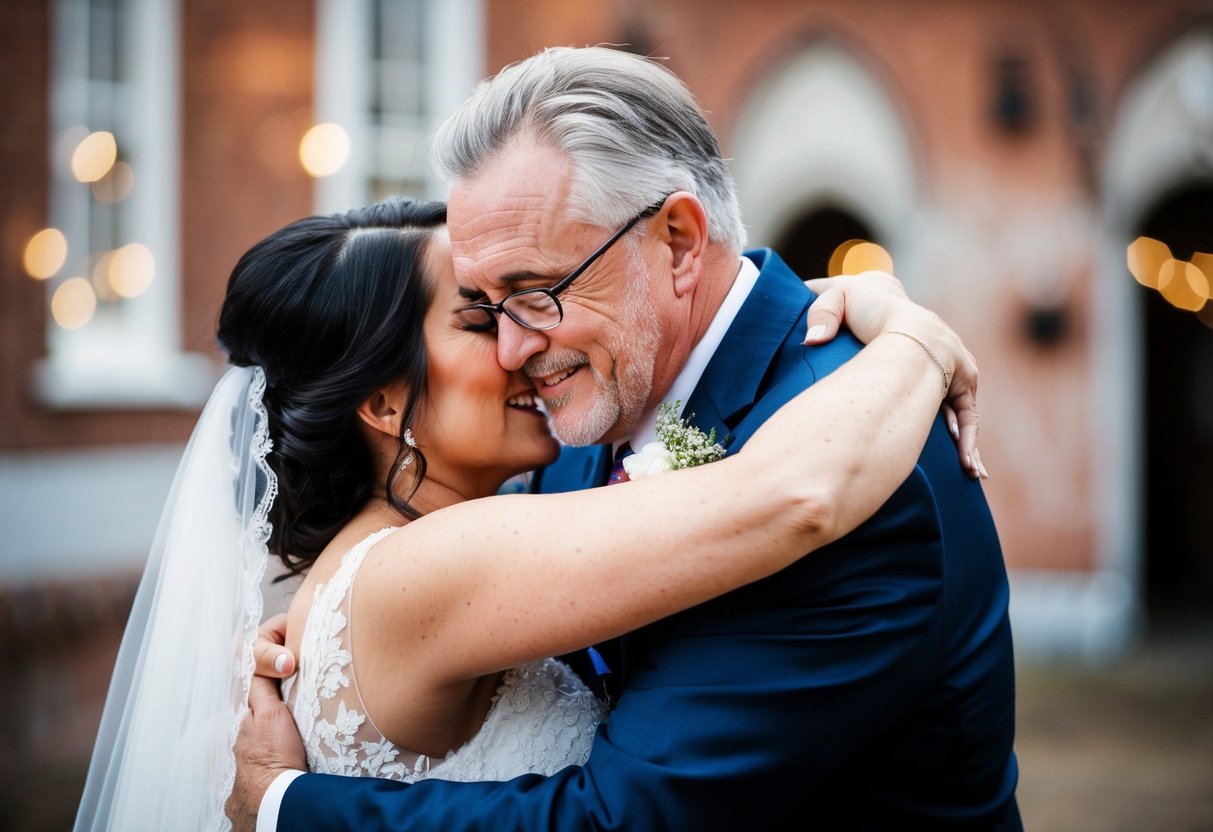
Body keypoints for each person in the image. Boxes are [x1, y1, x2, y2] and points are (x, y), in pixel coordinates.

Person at [234, 47, 1019, 831]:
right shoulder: (573, 426)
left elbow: (632, 817)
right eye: (483, 309)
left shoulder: (862, 450)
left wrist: (288, 806)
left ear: (677, 241)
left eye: (535, 292)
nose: (511, 348)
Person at [75, 195, 975, 831]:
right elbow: (791, 492)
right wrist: (912, 338)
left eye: (521, 300)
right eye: (479, 320)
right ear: (383, 403)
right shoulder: (429, 563)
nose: (520, 343)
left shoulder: (412, 550)